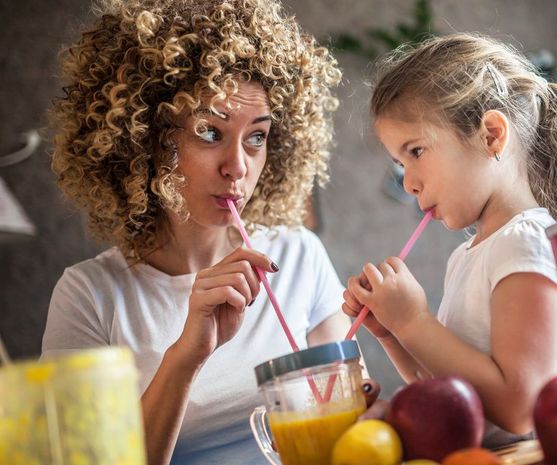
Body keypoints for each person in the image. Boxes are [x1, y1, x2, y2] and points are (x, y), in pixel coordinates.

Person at [42, 1, 372, 464]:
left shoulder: (297, 256)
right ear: (148, 139)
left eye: (256, 136)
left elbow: (350, 429)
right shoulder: (89, 297)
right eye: (210, 132)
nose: (238, 166)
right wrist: (186, 357)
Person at [342, 33, 557, 447]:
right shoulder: (467, 255)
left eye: (416, 151)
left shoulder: (525, 242)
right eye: (398, 163)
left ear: (491, 135)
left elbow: (519, 408)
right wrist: (393, 331)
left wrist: (413, 321)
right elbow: (452, 393)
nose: (408, 182)